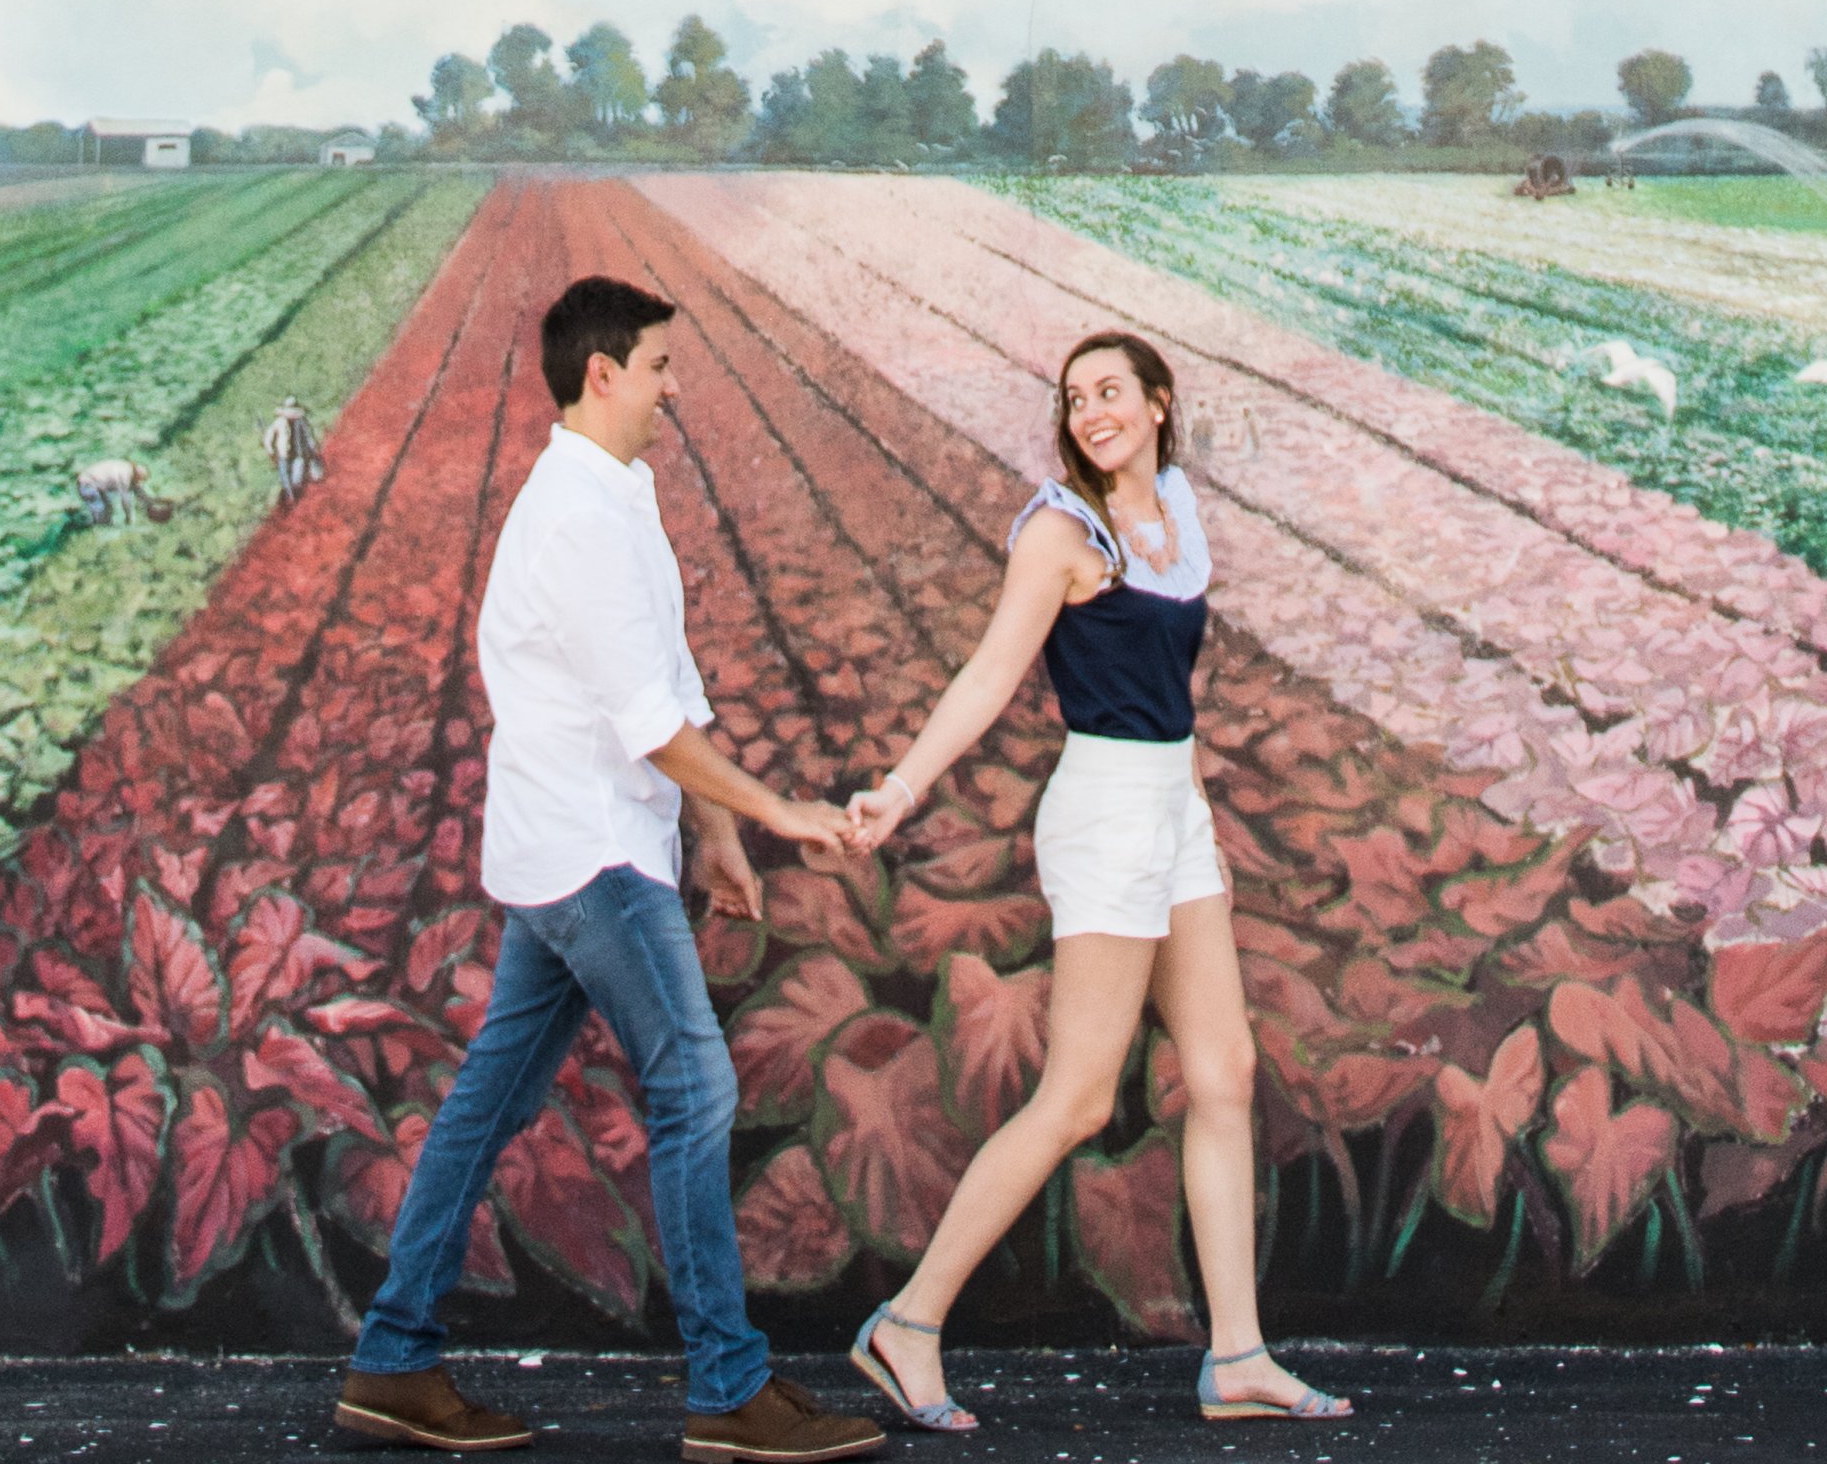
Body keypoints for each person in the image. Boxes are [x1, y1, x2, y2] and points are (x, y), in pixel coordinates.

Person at [336, 276, 885, 1463]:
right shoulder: (577, 516)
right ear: (602, 372)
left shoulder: (613, 496)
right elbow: (650, 720)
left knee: (484, 1108)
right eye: (658, 366)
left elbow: (662, 673)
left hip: (572, 849)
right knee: (695, 1089)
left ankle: (390, 1362)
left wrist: (718, 832)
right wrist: (779, 808)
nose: (672, 387)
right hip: (593, 858)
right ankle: (730, 1389)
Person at [842, 332, 1350, 1430]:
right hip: (1108, 810)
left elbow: (1170, 686)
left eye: (1110, 391)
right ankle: (909, 1321)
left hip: (1173, 805)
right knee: (1077, 1094)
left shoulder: (1171, 510)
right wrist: (900, 784)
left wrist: (1192, 815)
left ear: (1161, 404)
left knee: (1222, 1069)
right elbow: (990, 670)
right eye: (1075, 398)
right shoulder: (1061, 534)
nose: (1091, 412)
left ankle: (1236, 1354)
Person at [264, 395, 323, 505]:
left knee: (297, 479)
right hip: (284, 454)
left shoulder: (301, 422)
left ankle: (296, 496)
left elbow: (308, 436)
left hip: (298, 454)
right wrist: (271, 452)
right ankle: (290, 497)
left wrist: (313, 447)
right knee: (286, 478)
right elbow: (268, 437)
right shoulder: (279, 422)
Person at [76, 457, 152, 525]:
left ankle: (103, 528)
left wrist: (150, 503)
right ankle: (91, 529)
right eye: (139, 479)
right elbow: (125, 499)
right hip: (88, 483)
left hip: (96, 485)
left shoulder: (127, 469)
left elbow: (139, 491)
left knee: (108, 509)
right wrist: (129, 519)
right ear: (136, 475)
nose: (139, 482)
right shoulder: (124, 474)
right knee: (100, 512)